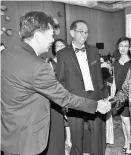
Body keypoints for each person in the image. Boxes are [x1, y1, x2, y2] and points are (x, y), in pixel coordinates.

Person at [1, 11, 110, 155]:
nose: (53, 40)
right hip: (29, 141)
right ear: (39, 36)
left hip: (9, 135)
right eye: (51, 35)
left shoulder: (6, 54)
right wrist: (96, 105)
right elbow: (64, 98)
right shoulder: (38, 66)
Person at [56, 20, 107, 155]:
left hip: (94, 98)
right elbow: (61, 80)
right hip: (75, 100)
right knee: (76, 136)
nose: (84, 35)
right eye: (80, 31)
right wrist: (65, 104)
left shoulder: (94, 51)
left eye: (86, 32)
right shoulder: (63, 53)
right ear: (72, 33)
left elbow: (98, 77)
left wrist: (102, 97)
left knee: (97, 136)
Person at [45, 39, 71, 155]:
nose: (59, 47)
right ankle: (64, 143)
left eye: (62, 45)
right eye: (57, 46)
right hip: (57, 94)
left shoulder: (70, 60)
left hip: (69, 91)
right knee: (62, 117)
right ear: (54, 49)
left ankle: (69, 141)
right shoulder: (50, 62)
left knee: (69, 117)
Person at [113, 37, 131, 155]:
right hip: (119, 95)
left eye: (126, 46)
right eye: (121, 45)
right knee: (123, 120)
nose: (123, 48)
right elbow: (115, 80)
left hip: (129, 96)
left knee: (126, 120)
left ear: (130, 47)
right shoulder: (116, 62)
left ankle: (130, 145)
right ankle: (126, 142)